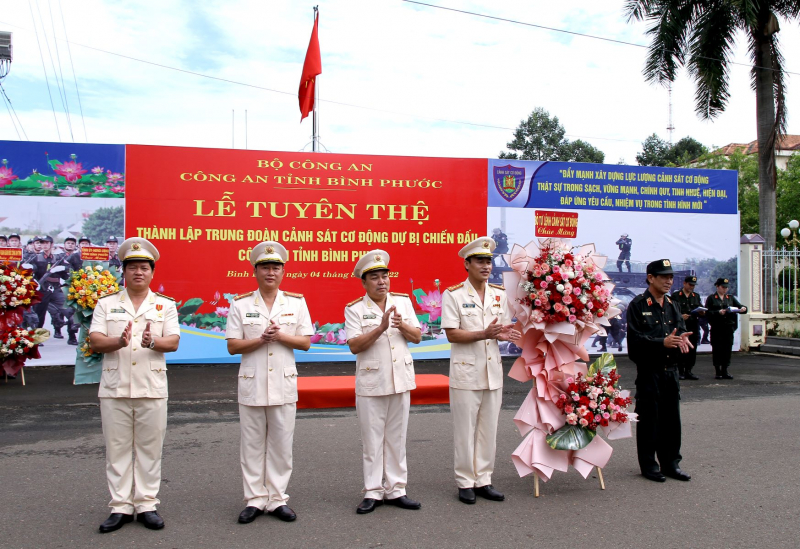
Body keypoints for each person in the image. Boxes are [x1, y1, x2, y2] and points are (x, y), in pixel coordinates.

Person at [89, 237, 180, 533]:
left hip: (151, 387)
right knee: (116, 449)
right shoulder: (106, 304)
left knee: (150, 449)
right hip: (115, 388)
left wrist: (152, 341)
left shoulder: (164, 305)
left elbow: (174, 342)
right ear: (123, 272)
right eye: (132, 268)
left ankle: (146, 504)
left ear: (152, 273)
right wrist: (119, 341)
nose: (138, 272)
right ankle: (120, 507)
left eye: (143, 267)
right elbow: (95, 340)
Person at [225, 241, 313, 525]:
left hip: (283, 383)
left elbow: (305, 342)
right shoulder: (240, 304)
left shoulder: (296, 303)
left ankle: (277, 499)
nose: (270, 272)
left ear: (283, 271)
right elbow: (232, 346)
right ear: (255, 271)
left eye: (276, 267)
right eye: (265, 267)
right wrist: (260, 339)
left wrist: (280, 337)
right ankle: (254, 499)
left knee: (281, 445)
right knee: (251, 444)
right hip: (252, 382)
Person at [441, 236, 520, 504]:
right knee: (465, 431)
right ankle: (465, 481)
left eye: (489, 261)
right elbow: (452, 334)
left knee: (489, 430)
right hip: (465, 372)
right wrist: (485, 333)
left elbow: (503, 328)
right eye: (480, 261)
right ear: (467, 264)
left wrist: (505, 334)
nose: (486, 266)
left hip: (492, 372)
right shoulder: (453, 294)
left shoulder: (499, 294)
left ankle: (484, 479)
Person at [345, 250, 423, 515]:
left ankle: (397, 489)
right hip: (371, 382)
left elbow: (417, 337)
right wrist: (379, 327)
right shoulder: (355, 309)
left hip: (400, 379)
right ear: (364, 282)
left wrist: (401, 326)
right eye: (375, 278)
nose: (382, 282)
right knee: (372, 440)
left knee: (397, 438)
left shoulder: (402, 302)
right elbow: (354, 346)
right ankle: (372, 491)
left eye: (385, 276)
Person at [626, 259, 693, 483]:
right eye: (663, 276)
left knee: (672, 420)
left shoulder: (673, 304)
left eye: (671, 277)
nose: (669, 281)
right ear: (650, 277)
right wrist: (660, 343)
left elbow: (679, 330)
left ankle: (671, 463)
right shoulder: (638, 305)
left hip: (671, 371)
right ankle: (649, 465)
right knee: (649, 420)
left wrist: (682, 338)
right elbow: (635, 344)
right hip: (649, 372)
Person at [705, 278, 747, 380]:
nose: (725, 289)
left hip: (728, 327)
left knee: (727, 349)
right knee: (717, 349)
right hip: (717, 327)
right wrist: (718, 312)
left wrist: (743, 308)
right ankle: (718, 371)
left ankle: (725, 370)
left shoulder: (730, 298)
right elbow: (707, 312)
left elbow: (740, 307)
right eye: (723, 287)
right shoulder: (711, 298)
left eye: (726, 287)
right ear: (717, 286)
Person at [32, 236, 70, 338]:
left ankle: (73, 330)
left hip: (55, 288)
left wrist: (62, 268)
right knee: (39, 314)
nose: (44, 245)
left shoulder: (57, 258)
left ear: (51, 244)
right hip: (42, 289)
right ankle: (37, 337)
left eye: (46, 243)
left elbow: (68, 268)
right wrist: (34, 281)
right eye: (42, 243)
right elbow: (32, 270)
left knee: (68, 309)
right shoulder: (36, 257)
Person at [671, 276, 704, 380]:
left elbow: (701, 308)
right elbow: (671, 311)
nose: (692, 287)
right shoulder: (676, 295)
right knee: (681, 349)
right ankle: (680, 371)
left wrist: (702, 312)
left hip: (693, 326)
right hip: (681, 327)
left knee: (692, 349)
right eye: (690, 284)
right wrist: (680, 316)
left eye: (693, 285)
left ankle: (689, 371)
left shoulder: (696, 296)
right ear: (684, 283)